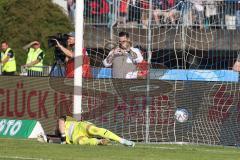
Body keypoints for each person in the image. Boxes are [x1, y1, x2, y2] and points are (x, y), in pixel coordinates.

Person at [41, 115, 135, 146]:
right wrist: (45, 139)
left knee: (93, 129)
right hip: (76, 138)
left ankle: (122, 140)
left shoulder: (64, 121)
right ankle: (100, 142)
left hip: (80, 127)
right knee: (82, 141)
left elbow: (61, 120)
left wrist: (62, 137)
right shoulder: (58, 137)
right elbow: (52, 139)